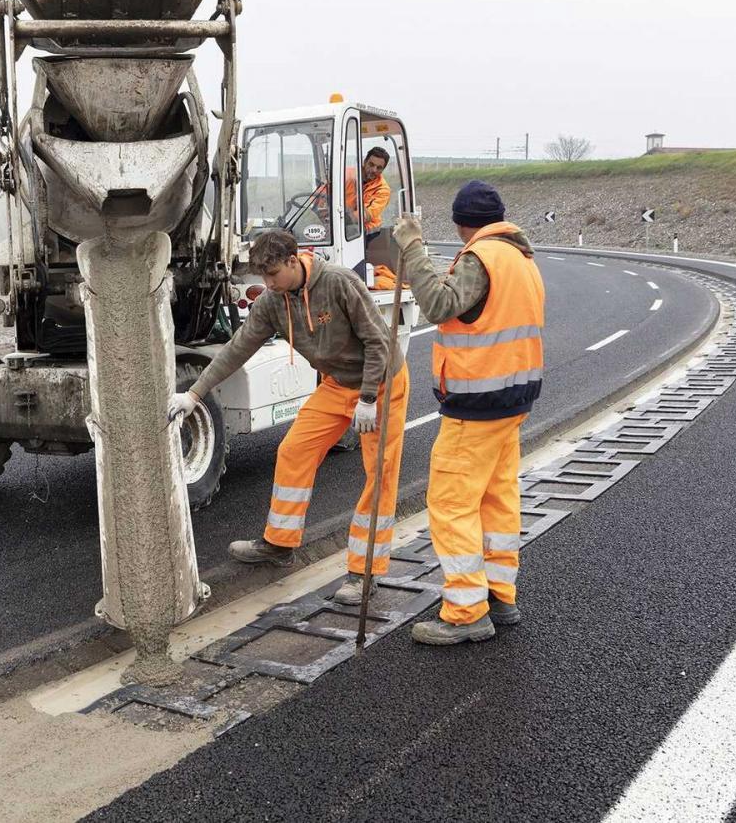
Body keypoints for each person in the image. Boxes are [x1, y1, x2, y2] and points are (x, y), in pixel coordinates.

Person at [169, 229, 406, 605]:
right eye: (262, 277)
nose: (268, 283)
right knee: (293, 451)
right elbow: (236, 349)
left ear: (294, 261)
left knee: (380, 475)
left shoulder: (339, 283)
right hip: (336, 383)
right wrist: (194, 395)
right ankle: (280, 545)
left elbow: (379, 341)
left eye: (274, 274)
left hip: (379, 385)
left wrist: (367, 398)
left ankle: (364, 573)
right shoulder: (274, 300)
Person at [389, 181, 545, 645]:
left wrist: (412, 246)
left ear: (461, 224)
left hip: (476, 405)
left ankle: (464, 610)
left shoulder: (481, 258)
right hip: (513, 401)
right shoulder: (521, 259)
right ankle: (499, 594)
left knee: (453, 505)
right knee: (497, 500)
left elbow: (438, 304)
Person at [316, 146, 395, 288]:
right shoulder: (346, 174)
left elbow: (366, 215)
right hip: (339, 220)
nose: (374, 170)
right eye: (371, 165)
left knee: (353, 241)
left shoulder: (383, 189)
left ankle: (355, 283)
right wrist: (319, 208)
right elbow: (323, 192)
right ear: (365, 161)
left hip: (365, 228)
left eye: (379, 168)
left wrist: (342, 214)